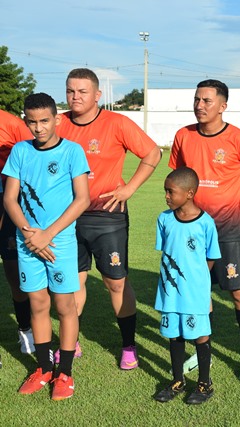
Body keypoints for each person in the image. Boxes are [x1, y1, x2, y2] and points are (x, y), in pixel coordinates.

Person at [57, 68, 162, 369]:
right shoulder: (59, 123)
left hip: (107, 217)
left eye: (82, 91)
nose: (75, 97)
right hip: (68, 217)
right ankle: (70, 342)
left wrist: (129, 188)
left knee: (116, 283)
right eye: (70, 91)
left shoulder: (117, 123)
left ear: (97, 95)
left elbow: (152, 153)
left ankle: (128, 346)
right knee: (72, 283)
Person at [169, 79, 240, 383]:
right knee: (199, 293)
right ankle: (204, 354)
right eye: (197, 99)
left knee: (239, 291)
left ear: (223, 106)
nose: (200, 105)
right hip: (192, 231)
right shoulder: (183, 136)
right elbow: (178, 179)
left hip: (228, 229)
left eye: (207, 101)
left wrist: (233, 200)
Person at [4, 93, 90, 400]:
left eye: (44, 121)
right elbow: (9, 199)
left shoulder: (72, 151)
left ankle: (64, 372)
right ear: (25, 121)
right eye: (32, 122)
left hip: (60, 242)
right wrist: (30, 235)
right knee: (37, 304)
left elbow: (83, 199)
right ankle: (43, 368)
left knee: (65, 307)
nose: (38, 128)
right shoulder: (20, 151)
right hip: (27, 241)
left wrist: (47, 234)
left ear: (56, 119)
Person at [153, 167, 221, 405]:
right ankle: (177, 380)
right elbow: (167, 251)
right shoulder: (164, 219)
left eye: (171, 192)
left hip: (194, 293)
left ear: (190, 193)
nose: (166, 196)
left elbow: (210, 258)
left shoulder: (205, 223)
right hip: (169, 292)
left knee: (200, 335)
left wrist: (198, 281)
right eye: (165, 191)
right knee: (174, 334)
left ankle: (204, 384)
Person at [0, 109, 35, 355]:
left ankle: (25, 329)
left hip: (8, 201)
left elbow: (33, 157)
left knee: (14, 272)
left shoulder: (11, 123)